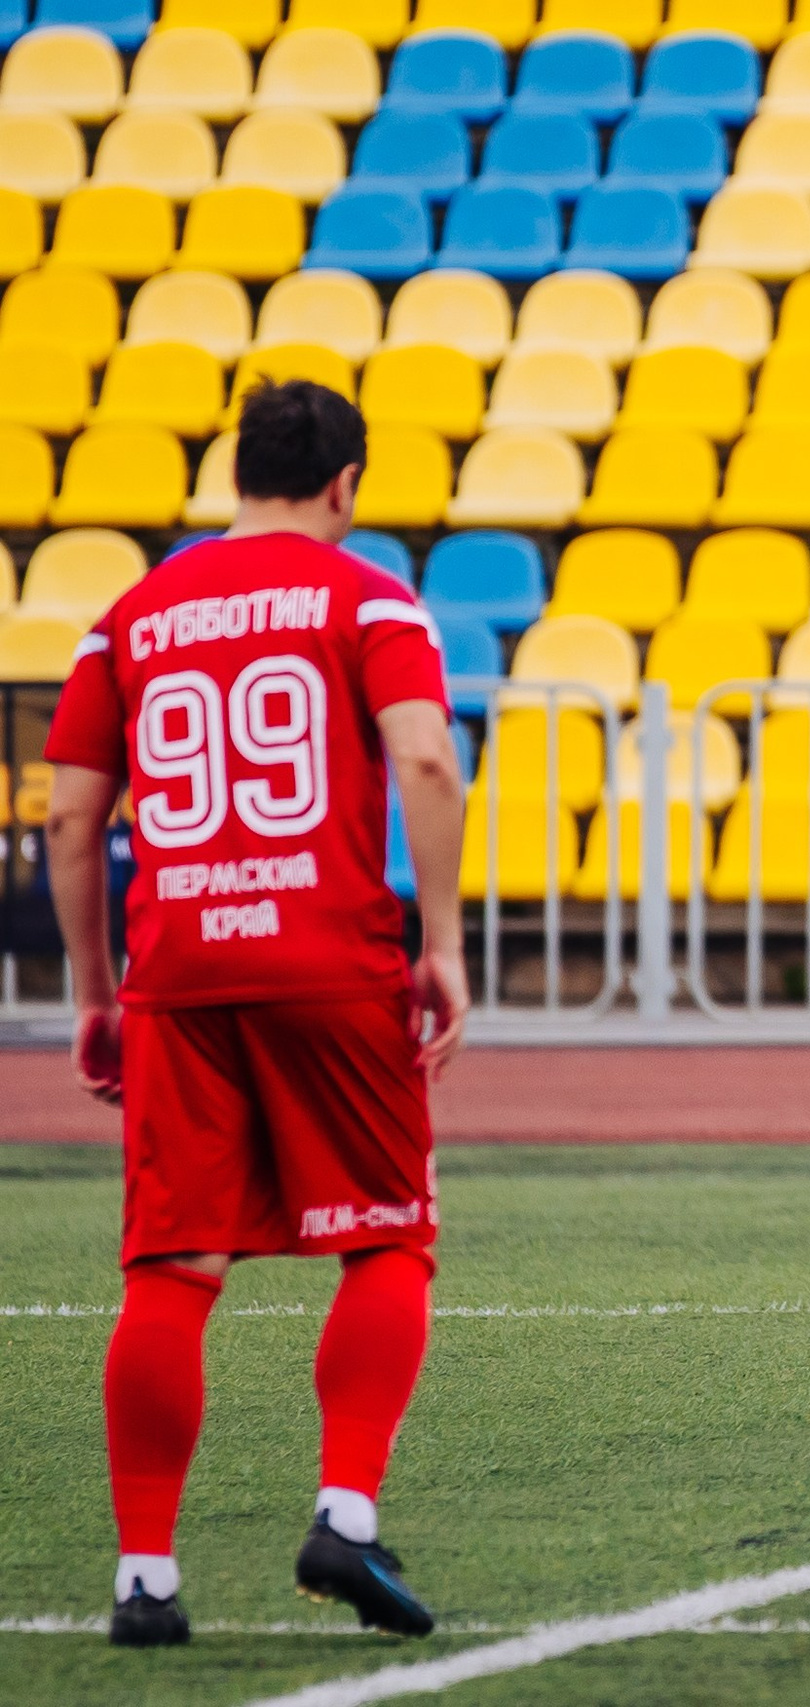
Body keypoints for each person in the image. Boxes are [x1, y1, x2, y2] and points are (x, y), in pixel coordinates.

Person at [44, 381, 469, 1647]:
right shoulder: (368, 598)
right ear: (346, 484)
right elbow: (428, 759)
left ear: (238, 476)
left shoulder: (127, 619)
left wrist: (93, 989)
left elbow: (72, 816)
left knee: (172, 1271)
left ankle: (144, 1581)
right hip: (332, 960)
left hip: (179, 977)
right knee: (387, 1238)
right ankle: (343, 1512)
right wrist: (440, 941)